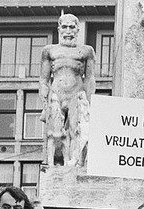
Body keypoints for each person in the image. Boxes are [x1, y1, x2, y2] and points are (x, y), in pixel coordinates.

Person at [39, 13, 96, 167]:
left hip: (76, 93)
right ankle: (52, 165)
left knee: (76, 132)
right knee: (53, 134)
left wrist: (90, 102)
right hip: (56, 95)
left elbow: (89, 78)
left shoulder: (86, 51)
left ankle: (75, 165)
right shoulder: (49, 51)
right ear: (59, 29)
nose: (68, 31)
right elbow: (44, 79)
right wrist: (44, 98)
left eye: (72, 27)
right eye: (65, 27)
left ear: (77, 30)